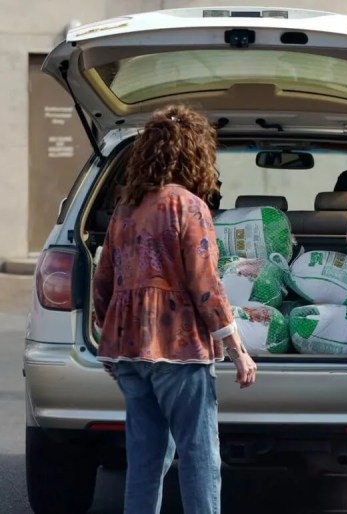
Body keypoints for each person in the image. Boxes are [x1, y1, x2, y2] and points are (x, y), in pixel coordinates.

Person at [92, 105, 258, 514]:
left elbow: (103, 283)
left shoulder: (125, 209)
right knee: (200, 454)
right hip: (178, 350)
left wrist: (110, 343)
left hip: (130, 351)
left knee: (146, 460)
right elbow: (206, 285)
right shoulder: (189, 207)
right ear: (195, 155)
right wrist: (237, 348)